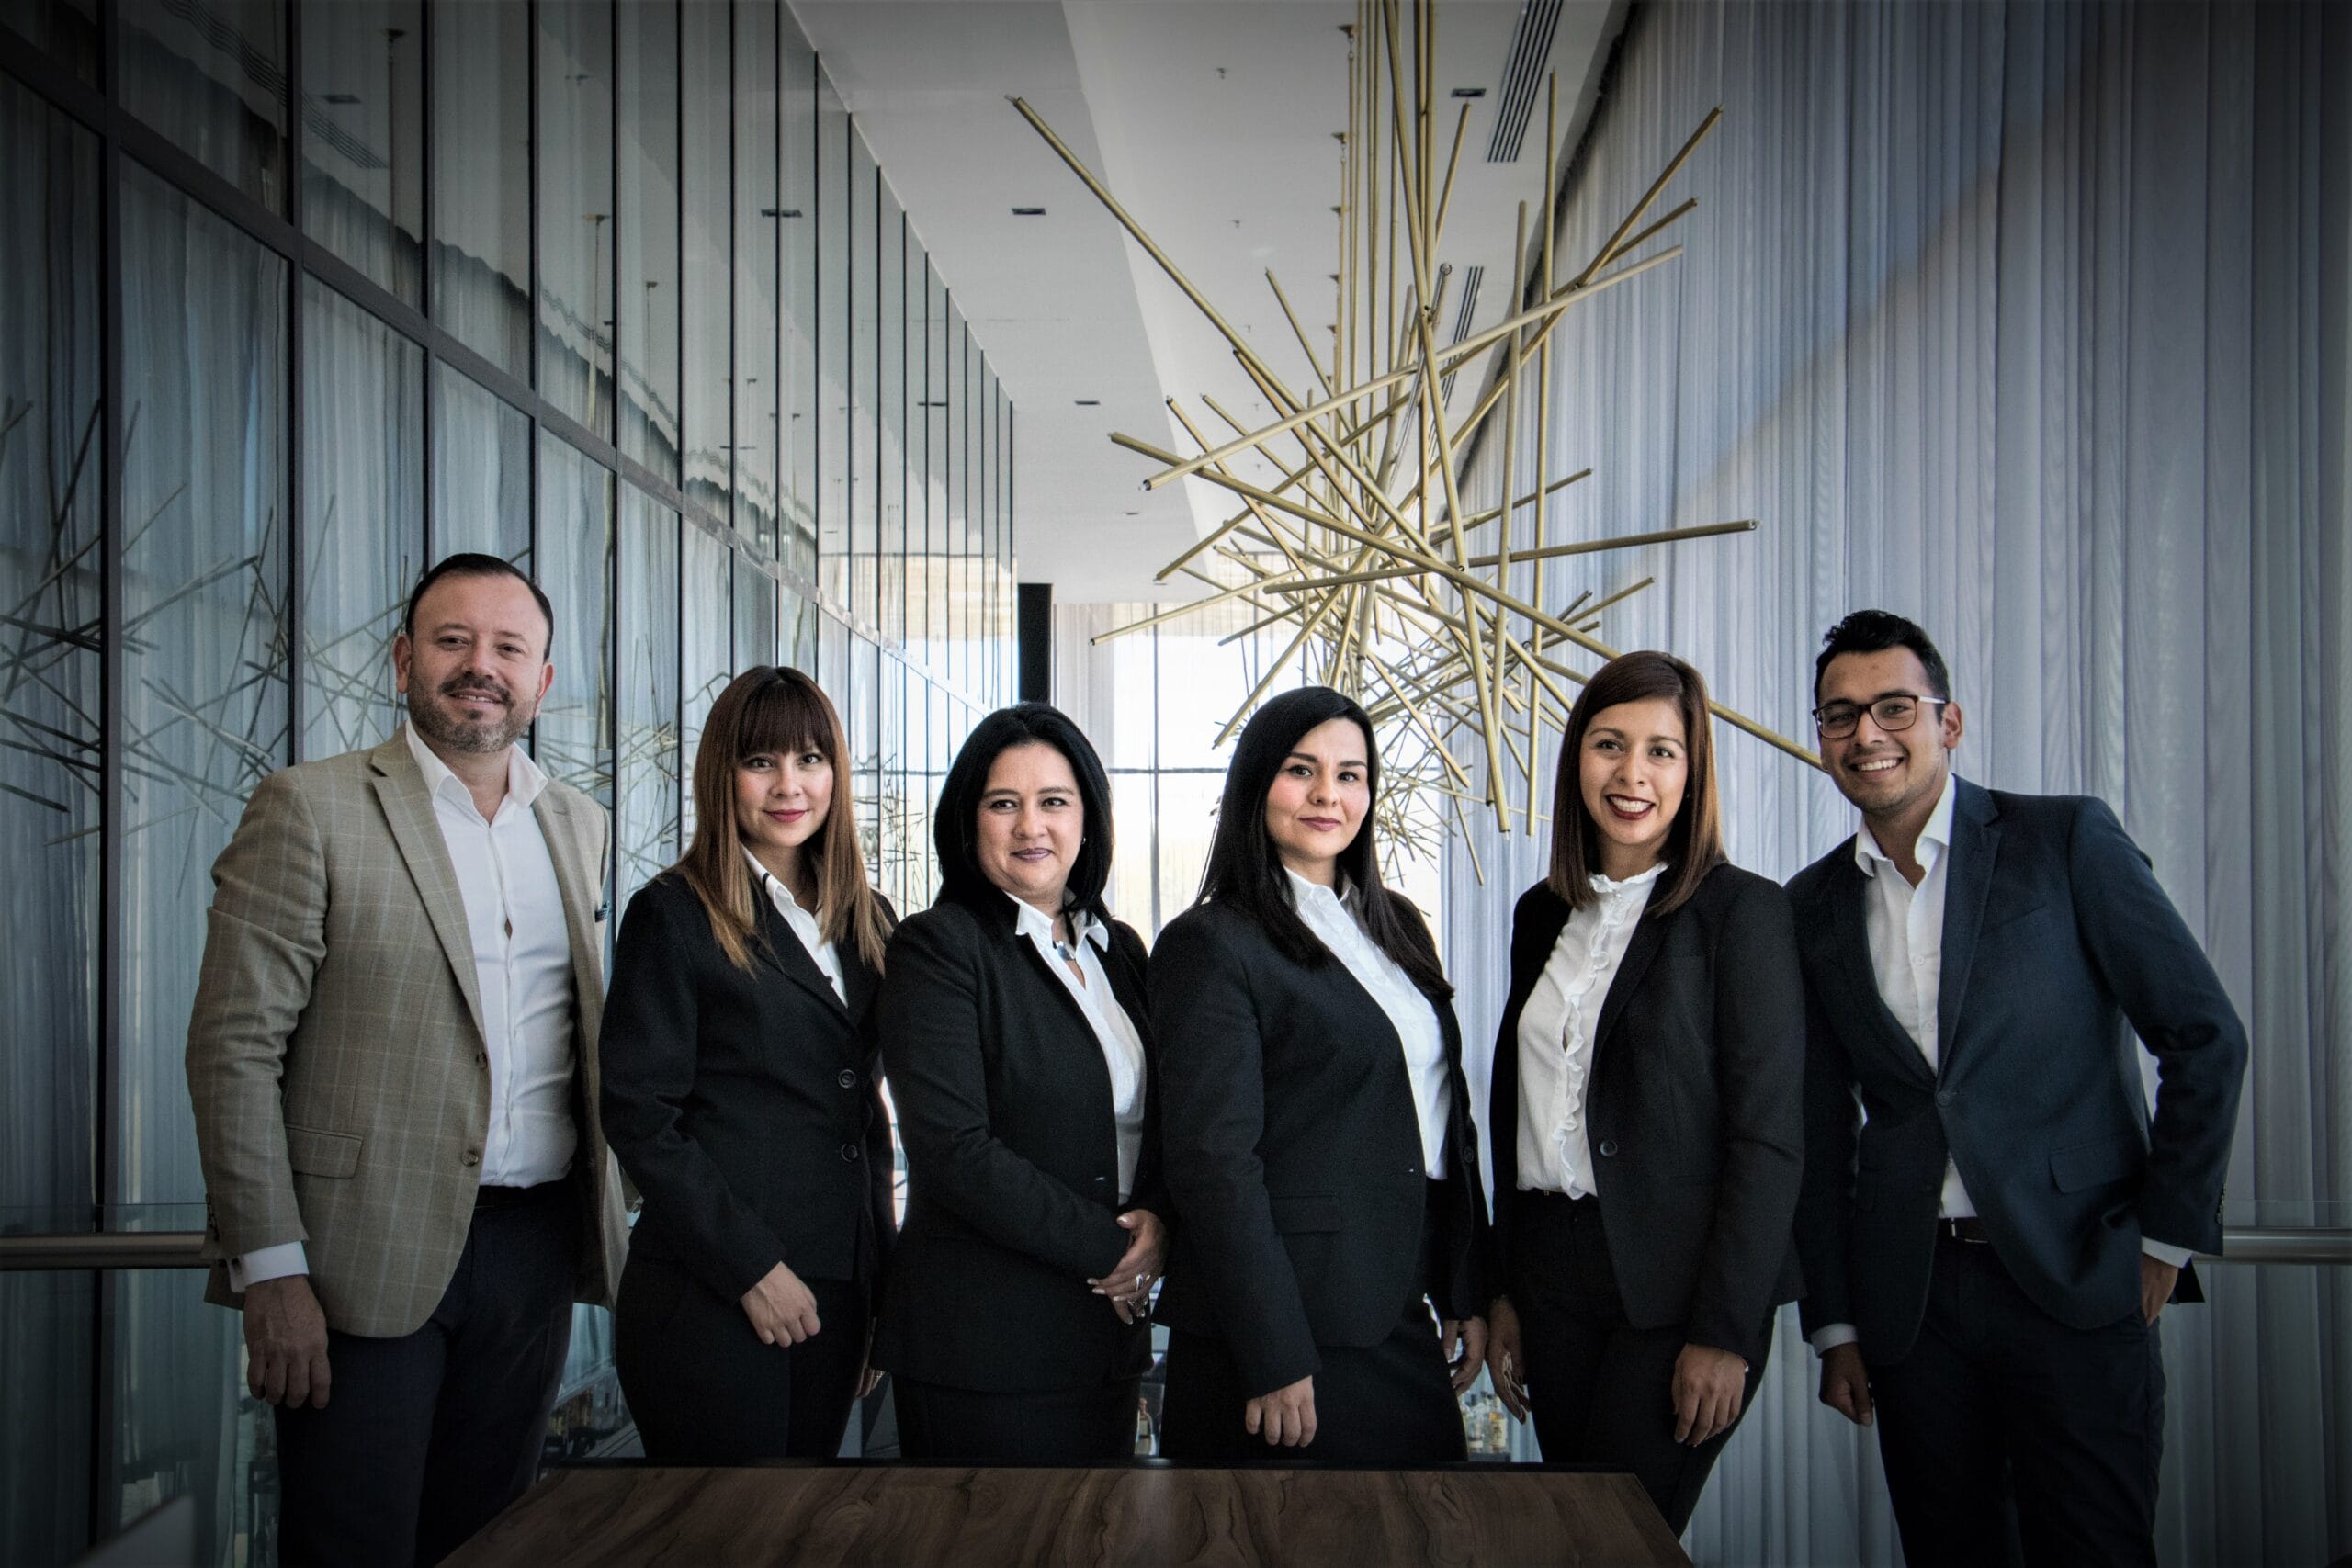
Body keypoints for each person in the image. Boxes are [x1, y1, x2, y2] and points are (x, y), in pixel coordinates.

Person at [184, 554, 629, 1567]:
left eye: (509, 648)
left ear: (543, 680)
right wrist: (271, 1267)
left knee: (488, 1538)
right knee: (351, 1544)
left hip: (532, 1249)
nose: (482, 666)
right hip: (354, 1258)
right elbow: (232, 1049)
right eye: (453, 641)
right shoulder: (310, 807)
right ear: (402, 660)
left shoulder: (577, 824)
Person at [1789, 609, 2248, 1567]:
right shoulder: (1810, 904)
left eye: (1893, 707)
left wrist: (2161, 1239)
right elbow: (1819, 1128)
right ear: (1820, 737)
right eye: (1840, 715)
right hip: (1911, 1310)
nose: (1866, 734)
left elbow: (2203, 1036)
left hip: (2078, 1283)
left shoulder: (2064, 840)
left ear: (1947, 723)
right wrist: (1834, 1321)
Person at [1480, 651, 1804, 1534]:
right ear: (1575, 759)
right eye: (1609, 744)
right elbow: (1521, 1108)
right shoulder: (1539, 914)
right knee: (1568, 1531)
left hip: (1677, 1295)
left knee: (1619, 1539)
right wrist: (1507, 1288)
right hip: (1551, 1276)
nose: (1632, 774)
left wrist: (1727, 1330)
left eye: (1662, 751)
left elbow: (1770, 1137)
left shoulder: (1745, 914)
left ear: (1693, 771)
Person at [1150, 685, 1488, 1465]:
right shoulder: (1212, 942)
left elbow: (1443, 1117)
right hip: (1287, 1325)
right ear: (1256, 782)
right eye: (1301, 770)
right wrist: (1272, 1348)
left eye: (1350, 774)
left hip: (1398, 1299)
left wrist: (1465, 1282)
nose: (1328, 795)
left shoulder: (1398, 924)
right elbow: (1213, 1161)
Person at [599, 667, 898, 1461]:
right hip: (715, 1291)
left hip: (838, 1290)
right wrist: (750, 1266)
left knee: (802, 1533)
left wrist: (881, 1294)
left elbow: (866, 1118)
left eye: (809, 759)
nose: (789, 785)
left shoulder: (868, 921)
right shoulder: (674, 912)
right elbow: (640, 1114)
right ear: (722, 775)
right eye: (761, 762)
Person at [872, 704, 1166, 1461]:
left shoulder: (1119, 950)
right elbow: (954, 1151)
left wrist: (1160, 1224)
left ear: (1088, 818)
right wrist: (1113, 1247)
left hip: (1106, 1337)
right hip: (984, 1349)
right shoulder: (938, 948)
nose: (1031, 825)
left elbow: (1162, 1120)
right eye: (1004, 803)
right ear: (969, 822)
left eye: (1054, 802)